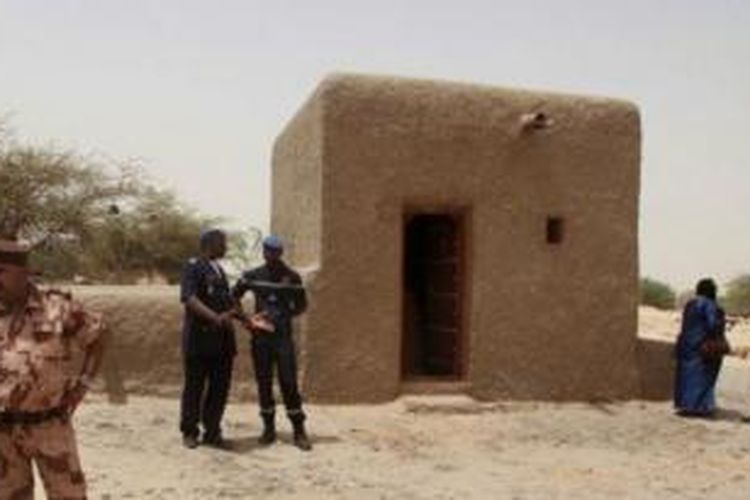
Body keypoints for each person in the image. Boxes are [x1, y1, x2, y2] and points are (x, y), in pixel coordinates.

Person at [0, 238, 106, 499]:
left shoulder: (56, 307)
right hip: (3, 432)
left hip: (50, 425)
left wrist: (83, 384)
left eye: (1, 271)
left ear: (22, 273)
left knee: (68, 495)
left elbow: (100, 335)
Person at [233, 235, 311, 451]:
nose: (271, 255)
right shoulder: (253, 275)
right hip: (260, 339)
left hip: (283, 339)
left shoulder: (292, 277)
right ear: (263, 252)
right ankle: (268, 429)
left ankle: (299, 430)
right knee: (264, 383)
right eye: (268, 251)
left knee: (289, 383)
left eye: (275, 252)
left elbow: (302, 305)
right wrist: (247, 320)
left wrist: (284, 315)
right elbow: (233, 297)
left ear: (281, 253)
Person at [179, 229, 237, 449]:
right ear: (209, 244)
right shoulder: (193, 266)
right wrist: (215, 318)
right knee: (194, 386)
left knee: (219, 388)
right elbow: (189, 298)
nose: (225, 247)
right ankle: (190, 431)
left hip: (222, 342)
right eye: (222, 243)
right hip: (199, 340)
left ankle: (212, 431)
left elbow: (229, 302)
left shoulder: (220, 271)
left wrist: (248, 321)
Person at [674, 278, 727, 417]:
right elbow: (713, 325)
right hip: (703, 348)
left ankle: (686, 406)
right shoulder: (710, 305)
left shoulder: (690, 304)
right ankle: (701, 408)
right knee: (704, 377)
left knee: (686, 377)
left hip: (686, 346)